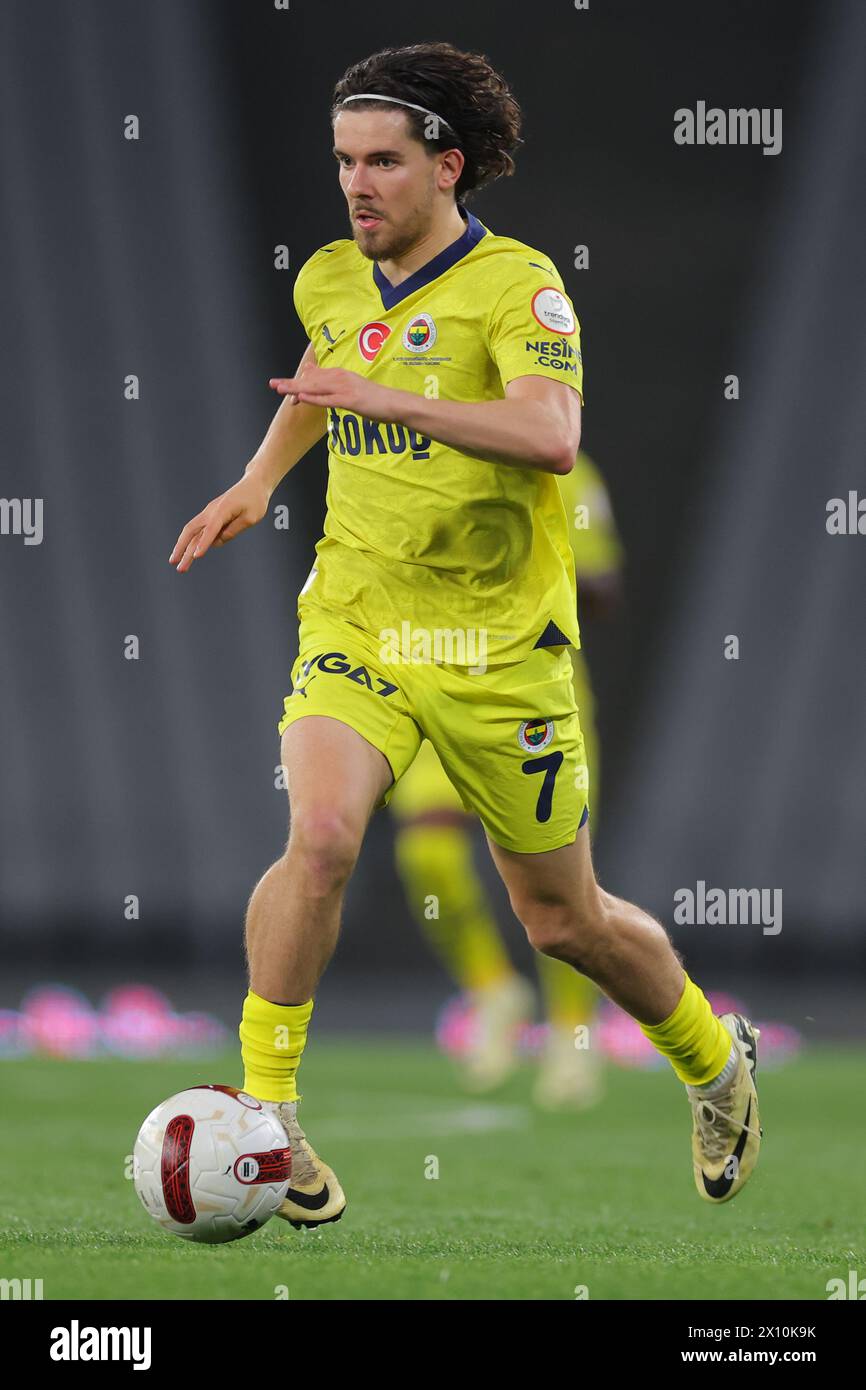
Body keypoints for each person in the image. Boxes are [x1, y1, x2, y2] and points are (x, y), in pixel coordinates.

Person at [170, 42, 761, 1228]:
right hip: (358, 621)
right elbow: (322, 371)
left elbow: (547, 436)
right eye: (343, 160)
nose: (356, 185)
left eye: (382, 159)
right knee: (323, 833)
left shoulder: (519, 288)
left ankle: (712, 1060)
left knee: (565, 923)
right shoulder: (332, 277)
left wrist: (385, 400)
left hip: (497, 656)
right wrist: (257, 480)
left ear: (446, 166)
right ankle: (270, 1118)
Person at [389, 451, 624, 1110]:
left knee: (554, 888)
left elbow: (603, 588)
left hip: (534, 699)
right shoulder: (417, 459)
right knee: (426, 853)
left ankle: (573, 1037)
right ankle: (493, 989)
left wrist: (509, 561)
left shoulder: (562, 465)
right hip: (439, 687)